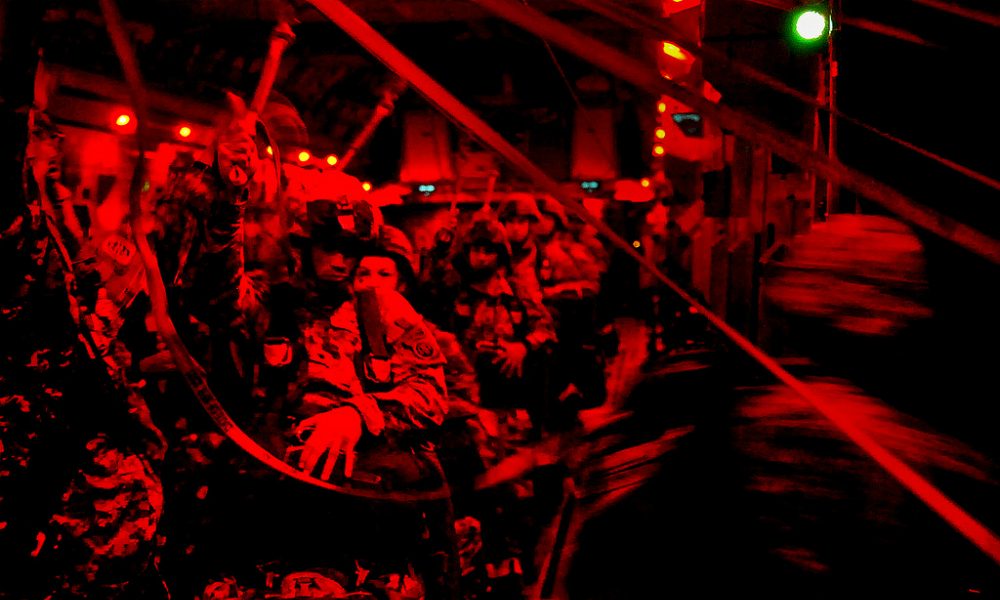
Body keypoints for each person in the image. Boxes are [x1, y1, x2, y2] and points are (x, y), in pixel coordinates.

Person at [172, 104, 461, 599]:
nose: (342, 260)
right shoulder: (266, 303)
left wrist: (359, 414)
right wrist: (229, 201)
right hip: (272, 501)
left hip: (361, 505)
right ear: (303, 244)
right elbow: (208, 290)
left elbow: (431, 394)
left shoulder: (384, 311)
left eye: (353, 249)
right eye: (330, 246)